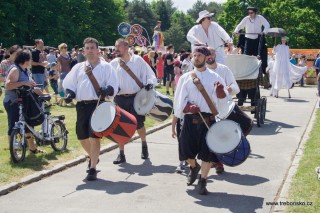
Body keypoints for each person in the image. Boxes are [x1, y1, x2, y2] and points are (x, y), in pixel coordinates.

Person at [174, 46, 229, 195]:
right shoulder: (186, 78)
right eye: (194, 55)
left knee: (207, 153)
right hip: (190, 121)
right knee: (186, 151)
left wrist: (221, 93)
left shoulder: (215, 77)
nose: (196, 57)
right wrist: (187, 107)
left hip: (208, 121)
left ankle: (202, 181)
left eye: (199, 55)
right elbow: (179, 99)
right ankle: (193, 167)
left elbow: (225, 101)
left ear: (206, 58)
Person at [62, 37, 118, 181]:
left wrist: (108, 89)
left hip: (98, 105)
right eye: (87, 48)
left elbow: (114, 84)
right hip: (81, 106)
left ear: (98, 50)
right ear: (84, 50)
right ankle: (94, 157)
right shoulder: (78, 67)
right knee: (81, 136)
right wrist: (69, 94)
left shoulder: (106, 67)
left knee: (94, 137)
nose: (90, 51)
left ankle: (92, 168)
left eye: (92, 48)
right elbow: (69, 84)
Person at [110, 38, 157, 164]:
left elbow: (150, 75)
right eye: (115, 47)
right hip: (120, 98)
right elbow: (109, 79)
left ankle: (144, 145)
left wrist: (149, 84)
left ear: (125, 47)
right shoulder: (114, 63)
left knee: (139, 124)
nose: (116, 50)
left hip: (136, 97)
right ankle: (121, 154)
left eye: (118, 47)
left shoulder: (138, 61)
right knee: (119, 126)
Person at [3, 49, 46, 153]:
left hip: (24, 102)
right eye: (30, 58)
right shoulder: (15, 70)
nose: (31, 60)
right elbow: (8, 85)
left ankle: (32, 148)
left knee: (28, 124)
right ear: (25, 60)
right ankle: (14, 150)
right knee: (14, 125)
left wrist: (43, 94)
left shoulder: (26, 70)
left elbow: (32, 84)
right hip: (12, 101)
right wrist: (23, 83)